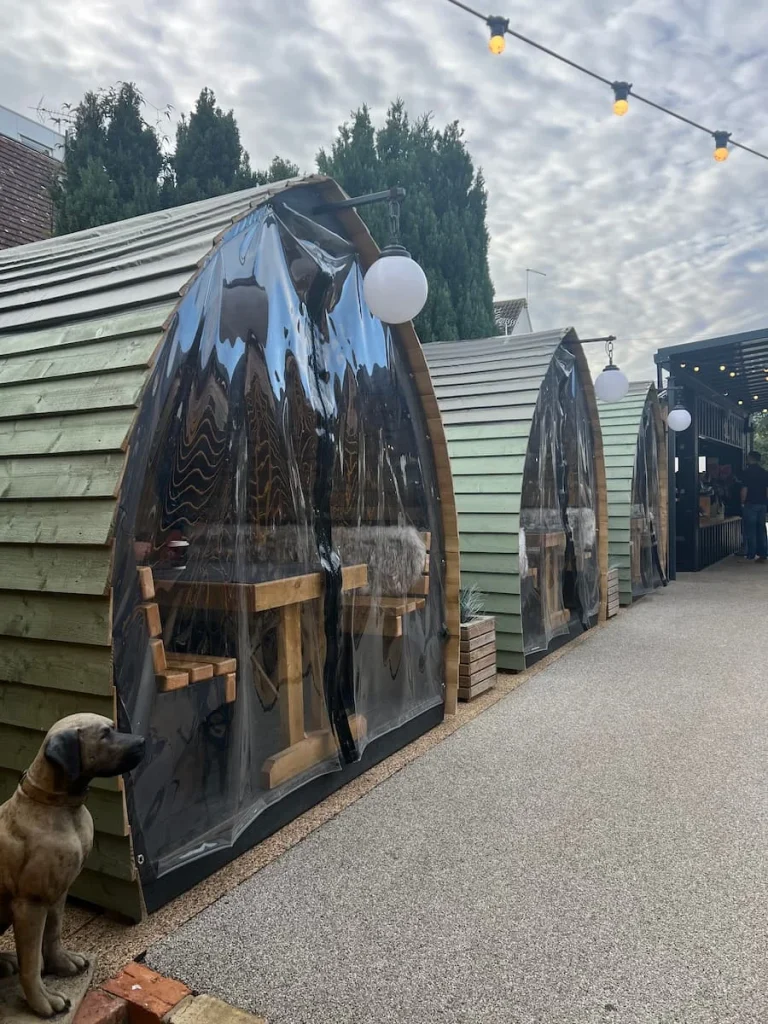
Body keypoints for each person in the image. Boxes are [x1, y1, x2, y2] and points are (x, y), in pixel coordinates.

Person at [740, 451, 768, 562]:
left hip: (750, 503)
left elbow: (744, 489)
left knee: (750, 529)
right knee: (761, 528)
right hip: (762, 504)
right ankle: (763, 553)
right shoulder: (764, 473)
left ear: (750, 458)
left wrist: (742, 502)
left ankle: (751, 553)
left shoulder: (746, 473)